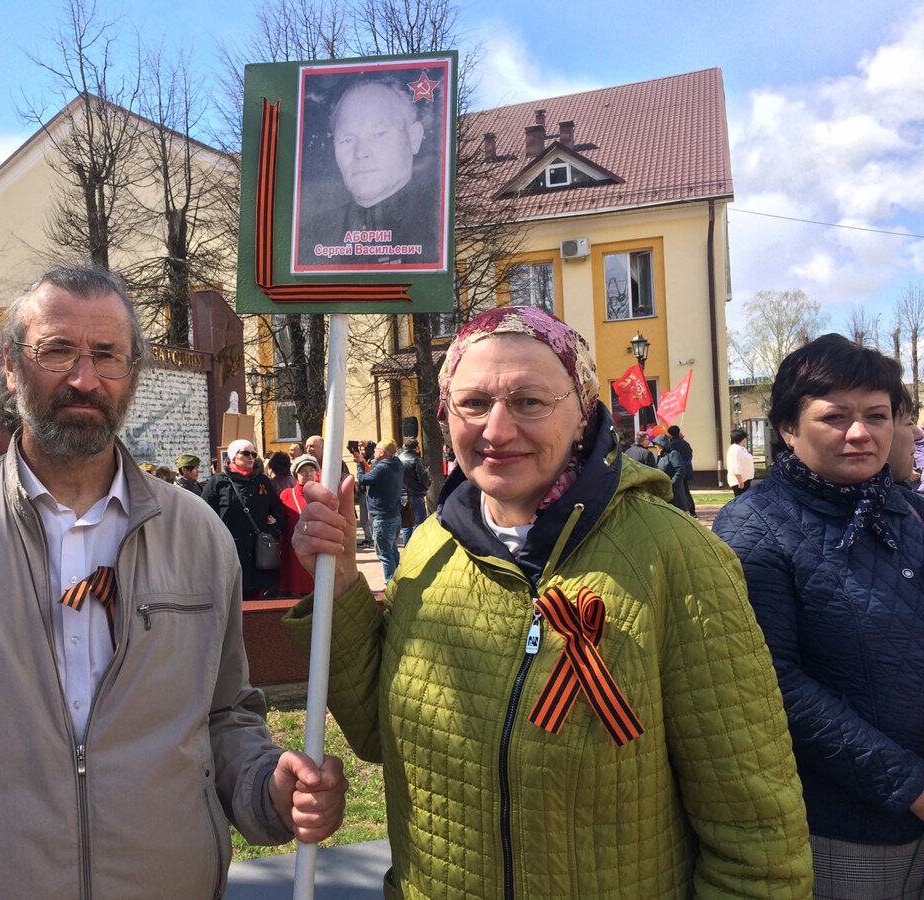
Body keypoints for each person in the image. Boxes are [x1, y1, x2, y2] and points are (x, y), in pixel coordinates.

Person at [0, 267, 346, 899]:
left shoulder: (198, 537)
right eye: (57, 351)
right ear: (10, 368)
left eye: (107, 356)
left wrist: (269, 787)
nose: (83, 378)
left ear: (133, 374)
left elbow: (225, 715)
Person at [286, 306, 812, 897]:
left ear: (584, 413)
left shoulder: (675, 555)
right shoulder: (430, 545)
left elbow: (755, 834)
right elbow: (379, 740)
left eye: (530, 402)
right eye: (475, 403)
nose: (497, 430)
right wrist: (343, 591)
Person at [713, 334, 924, 895]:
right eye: (836, 417)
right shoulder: (755, 527)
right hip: (846, 830)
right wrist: (908, 786)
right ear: (787, 427)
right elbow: (774, 684)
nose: (860, 433)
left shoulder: (907, 510)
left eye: (877, 415)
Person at [297, 73, 441, 270]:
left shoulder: (435, 224)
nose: (360, 152)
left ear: (414, 138)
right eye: (347, 139)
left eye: (378, 134)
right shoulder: (311, 236)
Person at [202, 439, 286, 601]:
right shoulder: (219, 482)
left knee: (257, 603)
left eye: (253, 454)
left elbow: (276, 508)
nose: (251, 457)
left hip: (258, 553)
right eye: (245, 453)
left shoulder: (262, 481)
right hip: (229, 550)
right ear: (233, 457)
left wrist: (274, 527)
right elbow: (204, 513)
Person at [357, 438, 404, 581]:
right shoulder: (397, 464)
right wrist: (367, 446)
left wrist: (360, 463)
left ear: (382, 452)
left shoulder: (382, 468)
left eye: (376, 449)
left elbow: (362, 480)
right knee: (393, 550)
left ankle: (390, 583)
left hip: (382, 517)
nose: (374, 451)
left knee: (384, 553)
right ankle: (398, 581)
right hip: (394, 515)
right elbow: (376, 469)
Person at [278, 455, 319, 598]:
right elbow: (280, 520)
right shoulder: (287, 494)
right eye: (303, 471)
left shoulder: (323, 493)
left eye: (311, 470)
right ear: (296, 474)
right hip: (293, 550)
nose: (308, 474)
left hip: (317, 549)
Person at [397, 437, 431, 546]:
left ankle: (407, 548)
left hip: (402, 494)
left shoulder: (398, 458)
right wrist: (427, 483)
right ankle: (417, 548)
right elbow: (423, 479)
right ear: (416, 448)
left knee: (407, 524)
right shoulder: (415, 459)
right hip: (416, 494)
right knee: (419, 524)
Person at [651, 433, 691, 513]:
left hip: (674, 490)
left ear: (663, 444)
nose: (655, 446)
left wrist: (671, 482)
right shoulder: (656, 456)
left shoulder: (673, 454)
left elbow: (680, 470)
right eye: (654, 444)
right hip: (660, 490)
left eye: (657, 444)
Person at [666, 425, 696, 515]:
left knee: (681, 491)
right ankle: (691, 510)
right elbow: (690, 454)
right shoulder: (685, 443)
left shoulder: (672, 445)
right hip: (687, 468)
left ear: (670, 435)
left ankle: (688, 509)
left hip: (678, 470)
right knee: (686, 490)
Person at [725, 428, 756, 495]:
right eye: (744, 438)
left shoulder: (741, 448)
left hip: (745, 480)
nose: (745, 440)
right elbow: (735, 466)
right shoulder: (735, 449)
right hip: (739, 481)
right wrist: (740, 481)